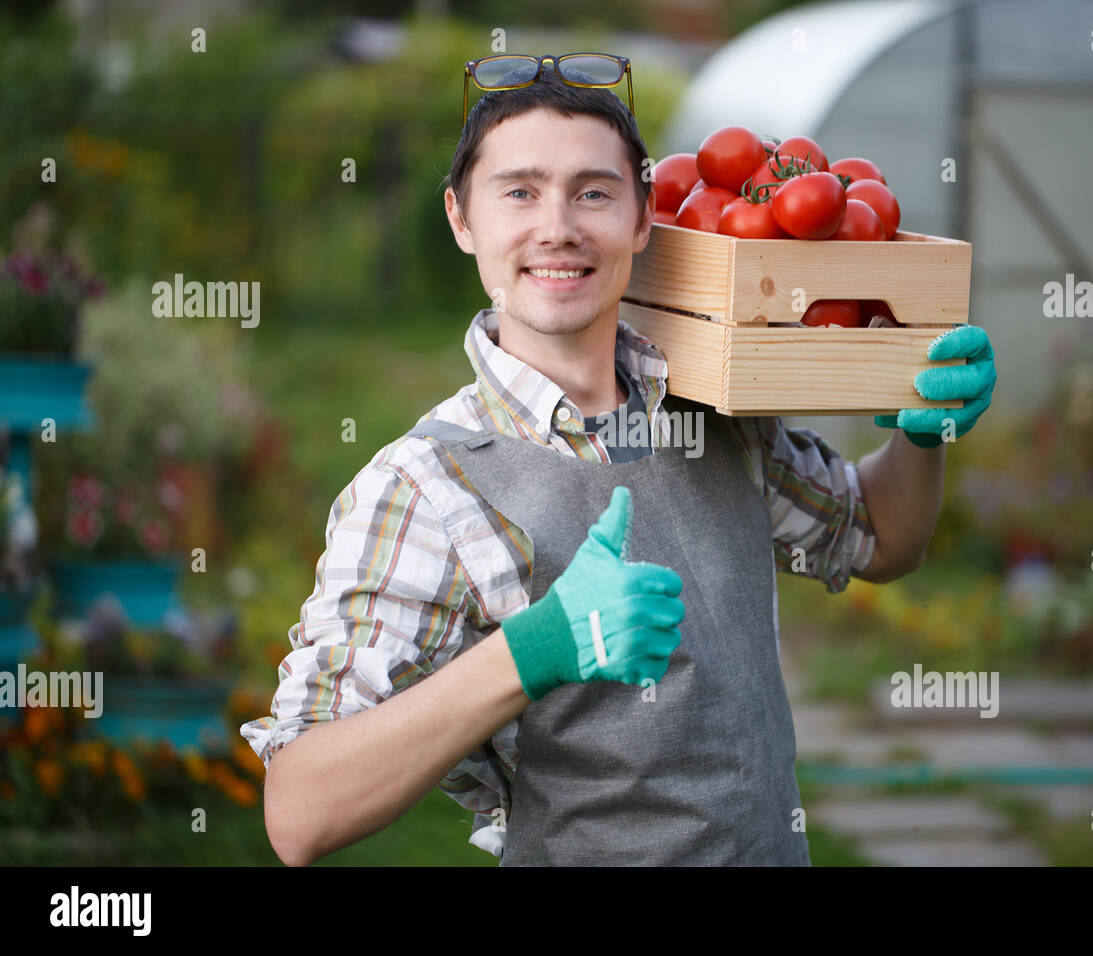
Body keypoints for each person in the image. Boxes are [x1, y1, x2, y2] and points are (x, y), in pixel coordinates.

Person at [242, 57, 997, 867]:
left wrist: (922, 437)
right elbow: (300, 811)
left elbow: (879, 538)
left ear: (643, 220)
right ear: (463, 220)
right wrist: (535, 649)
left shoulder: (715, 415)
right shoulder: (426, 487)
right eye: (520, 192)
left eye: (593, 192)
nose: (558, 227)